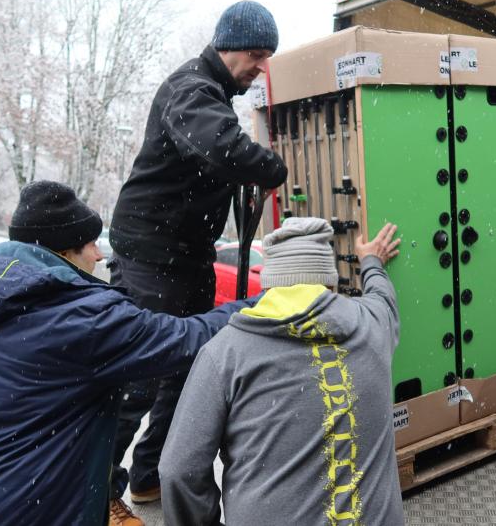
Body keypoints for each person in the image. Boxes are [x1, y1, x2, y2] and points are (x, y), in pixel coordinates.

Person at [0, 181, 254, 526]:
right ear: (64, 252)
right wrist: (264, 303)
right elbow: (185, 339)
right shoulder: (77, 318)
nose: (100, 255)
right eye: (90, 244)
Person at [106, 0, 288, 517]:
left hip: (187, 256)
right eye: (257, 55)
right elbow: (223, 148)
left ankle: (149, 476)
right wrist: (272, 166)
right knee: (139, 374)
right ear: (229, 46)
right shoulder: (190, 89)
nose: (261, 67)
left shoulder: (215, 95)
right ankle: (100, 493)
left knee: (188, 371)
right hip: (150, 254)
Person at [159, 218, 404, 526]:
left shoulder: (225, 353)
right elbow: (383, 296)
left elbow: (178, 470)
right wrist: (371, 261)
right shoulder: (373, 325)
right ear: (330, 282)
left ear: (269, 285)